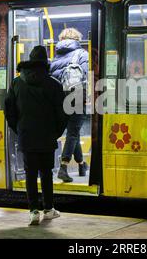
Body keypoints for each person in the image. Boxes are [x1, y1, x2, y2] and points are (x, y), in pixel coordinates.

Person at [5, 45, 67, 226]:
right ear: (45, 62)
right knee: (46, 172)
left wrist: (19, 129)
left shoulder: (16, 83)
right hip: (47, 137)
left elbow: (9, 111)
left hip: (26, 136)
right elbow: (62, 115)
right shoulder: (54, 84)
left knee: (30, 173)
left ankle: (33, 211)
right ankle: (48, 209)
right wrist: (55, 133)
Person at [49, 28, 89, 183]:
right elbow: (84, 75)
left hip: (59, 97)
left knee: (74, 131)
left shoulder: (56, 55)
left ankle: (81, 164)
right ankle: (63, 167)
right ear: (77, 39)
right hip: (76, 95)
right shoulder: (82, 54)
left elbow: (52, 75)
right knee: (73, 132)